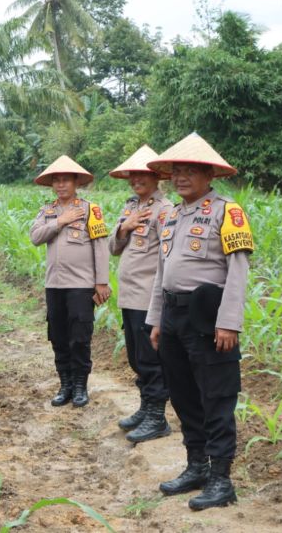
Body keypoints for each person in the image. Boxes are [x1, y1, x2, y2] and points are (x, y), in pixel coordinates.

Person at [145, 132, 253, 511]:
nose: (181, 177)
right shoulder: (172, 214)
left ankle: (221, 479)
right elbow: (162, 271)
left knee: (216, 397)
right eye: (176, 171)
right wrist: (156, 319)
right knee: (184, 394)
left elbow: (237, 271)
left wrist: (229, 323)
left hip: (209, 318)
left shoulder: (228, 211)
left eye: (190, 170)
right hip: (173, 317)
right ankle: (197, 466)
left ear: (209, 176)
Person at [29, 156, 110, 408]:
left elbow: (100, 246)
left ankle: (80, 385)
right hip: (54, 284)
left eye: (66, 180)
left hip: (81, 285)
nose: (61, 185)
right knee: (58, 335)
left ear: (76, 182)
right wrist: (60, 221)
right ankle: (64, 384)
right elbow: (35, 236)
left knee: (80, 336)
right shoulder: (47, 211)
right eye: (57, 180)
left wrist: (102, 282)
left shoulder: (90, 210)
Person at [108, 146, 174, 442]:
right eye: (133, 175)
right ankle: (146, 408)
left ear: (156, 177)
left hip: (148, 297)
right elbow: (113, 247)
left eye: (143, 174)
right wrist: (125, 227)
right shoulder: (129, 207)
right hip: (129, 296)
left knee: (150, 359)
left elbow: (168, 256)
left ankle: (158, 417)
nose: (136, 179)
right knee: (136, 357)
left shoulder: (165, 210)